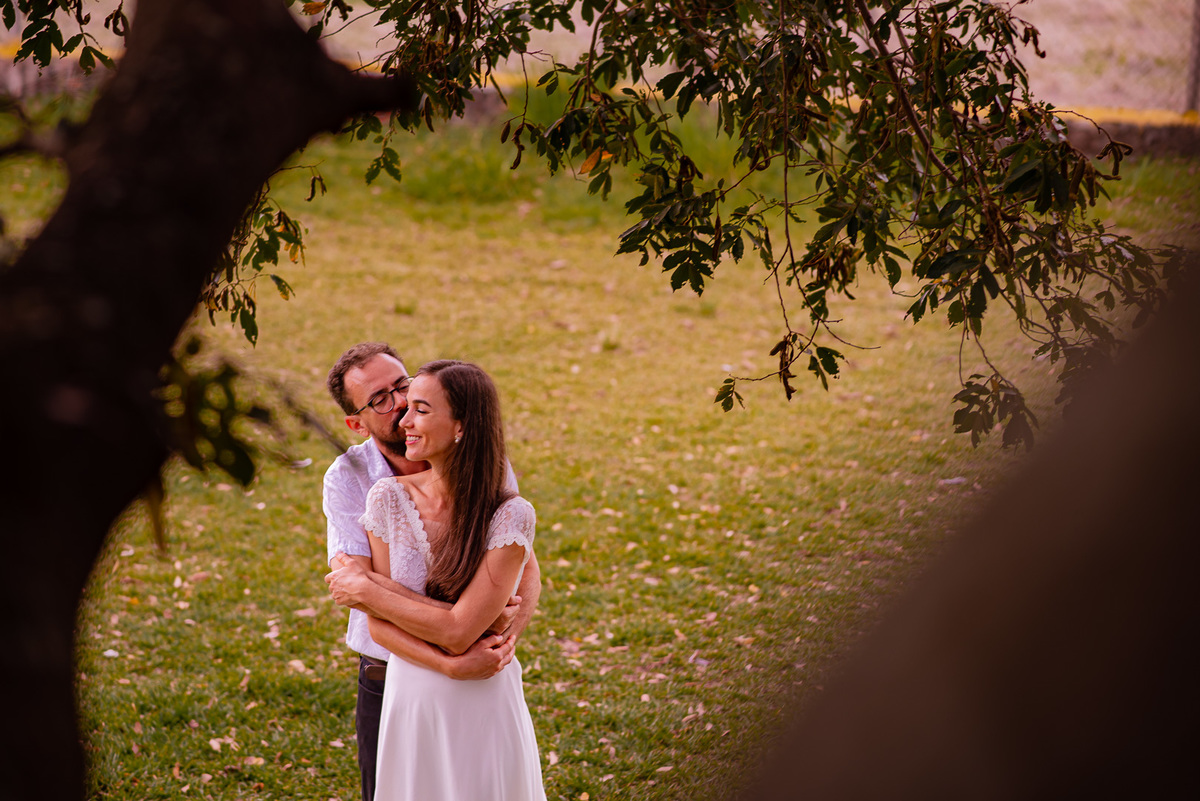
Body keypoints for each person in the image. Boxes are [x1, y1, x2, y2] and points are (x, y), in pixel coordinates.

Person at [322, 343, 541, 801]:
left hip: (485, 679)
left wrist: (499, 637)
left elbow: (525, 569)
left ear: (460, 425)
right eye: (380, 399)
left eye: (403, 387)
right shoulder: (358, 482)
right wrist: (454, 651)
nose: (400, 405)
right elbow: (366, 599)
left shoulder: (491, 474)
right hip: (393, 674)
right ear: (357, 422)